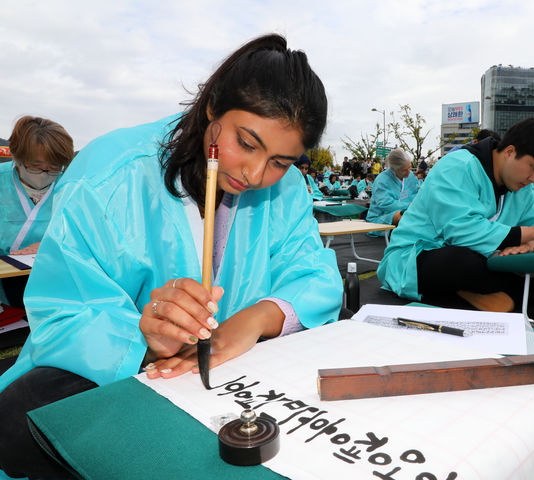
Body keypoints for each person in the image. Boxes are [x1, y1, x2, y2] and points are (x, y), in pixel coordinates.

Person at [0, 34, 343, 479]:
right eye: (247, 141)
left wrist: (253, 321)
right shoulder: (109, 172)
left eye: (280, 160)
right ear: (211, 109)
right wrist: (143, 335)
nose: (256, 174)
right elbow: (63, 309)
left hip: (233, 368)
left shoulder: (288, 188)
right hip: (119, 368)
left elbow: (313, 273)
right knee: (21, 425)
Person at [378, 118, 534, 313]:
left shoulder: (521, 188)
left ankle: (478, 297)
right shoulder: (457, 166)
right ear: (510, 152)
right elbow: (462, 232)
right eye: (533, 168)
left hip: (479, 262)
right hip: (415, 258)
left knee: (508, 258)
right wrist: (530, 232)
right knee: (460, 261)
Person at [0, 116, 74, 307]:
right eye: (35, 167)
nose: (44, 174)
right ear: (16, 157)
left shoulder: (70, 185)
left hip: (55, 286)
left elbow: (87, 233)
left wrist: (50, 244)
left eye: (53, 168)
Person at [366, 148, 419, 227]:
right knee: (402, 216)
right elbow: (386, 205)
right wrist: (409, 206)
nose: (409, 172)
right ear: (393, 169)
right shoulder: (382, 181)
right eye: (404, 170)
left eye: (410, 167)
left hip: (410, 211)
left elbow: (416, 194)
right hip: (381, 217)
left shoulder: (410, 176)